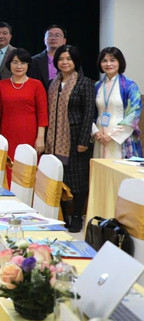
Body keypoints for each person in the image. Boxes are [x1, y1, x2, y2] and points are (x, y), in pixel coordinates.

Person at [45, 45, 94, 233]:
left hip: (75, 138)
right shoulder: (52, 82)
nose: (64, 62)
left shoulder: (84, 82)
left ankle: (76, 216)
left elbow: (89, 112)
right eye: (61, 59)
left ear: (75, 62)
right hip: (54, 139)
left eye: (69, 59)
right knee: (59, 177)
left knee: (77, 179)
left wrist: (83, 141)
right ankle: (63, 215)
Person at [0, 48, 48, 186]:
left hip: (30, 134)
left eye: (23, 63)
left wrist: (40, 138)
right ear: (9, 64)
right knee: (7, 168)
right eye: (15, 62)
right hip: (7, 135)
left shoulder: (36, 85)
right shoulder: (1, 85)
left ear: (28, 65)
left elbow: (42, 113)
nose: (19, 66)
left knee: (28, 167)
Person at [93, 47, 142, 159]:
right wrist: (95, 132)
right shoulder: (97, 86)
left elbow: (134, 114)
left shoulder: (130, 86)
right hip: (99, 136)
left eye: (113, 60)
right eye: (104, 60)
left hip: (120, 137)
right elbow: (90, 112)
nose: (108, 64)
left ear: (120, 62)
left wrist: (112, 136)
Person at [29, 25, 69, 89]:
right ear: (44, 40)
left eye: (57, 35)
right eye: (50, 35)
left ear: (64, 41)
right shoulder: (34, 61)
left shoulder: (72, 60)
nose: (53, 38)